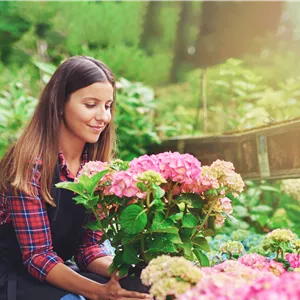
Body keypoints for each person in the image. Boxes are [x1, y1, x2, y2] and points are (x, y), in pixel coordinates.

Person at [0, 56, 151, 300]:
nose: (103, 117)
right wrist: (100, 292)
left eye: (108, 106)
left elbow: (88, 249)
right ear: (59, 104)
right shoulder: (28, 164)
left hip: (55, 270)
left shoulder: (94, 168)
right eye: (91, 105)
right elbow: (37, 257)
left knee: (140, 288)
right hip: (13, 278)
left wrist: (132, 275)